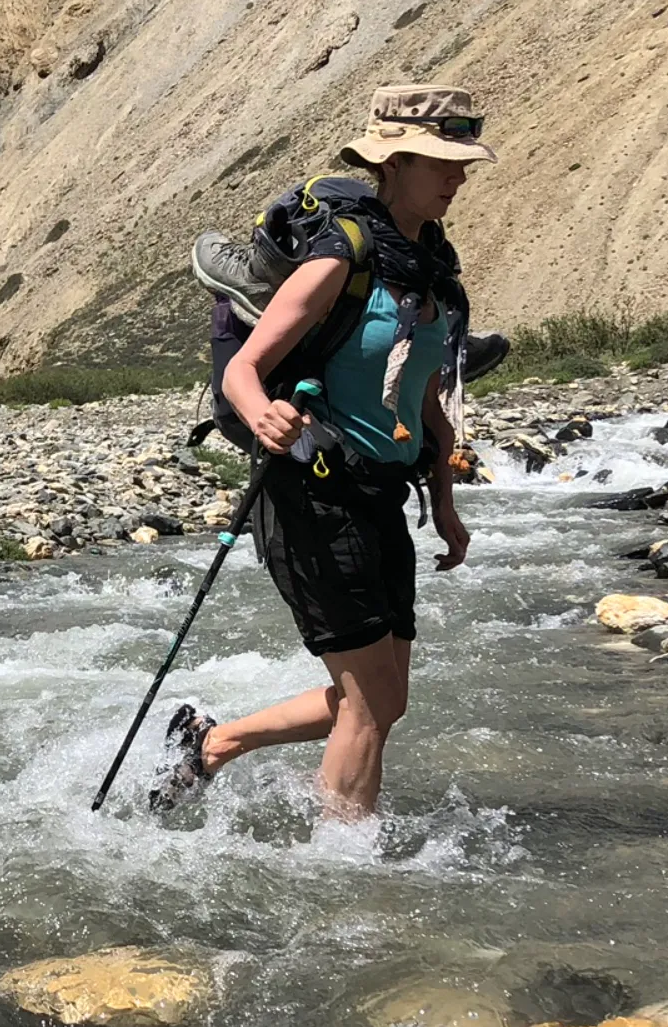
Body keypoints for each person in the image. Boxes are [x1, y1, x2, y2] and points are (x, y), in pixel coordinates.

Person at [153, 85, 494, 821]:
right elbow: (243, 372)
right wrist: (262, 413)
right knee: (370, 706)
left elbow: (426, 404)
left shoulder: (430, 268)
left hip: (380, 498)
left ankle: (214, 743)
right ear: (394, 161)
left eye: (463, 163)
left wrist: (445, 504)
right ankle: (348, 874)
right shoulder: (342, 256)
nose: (458, 177)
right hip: (312, 492)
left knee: (381, 699)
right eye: (443, 161)